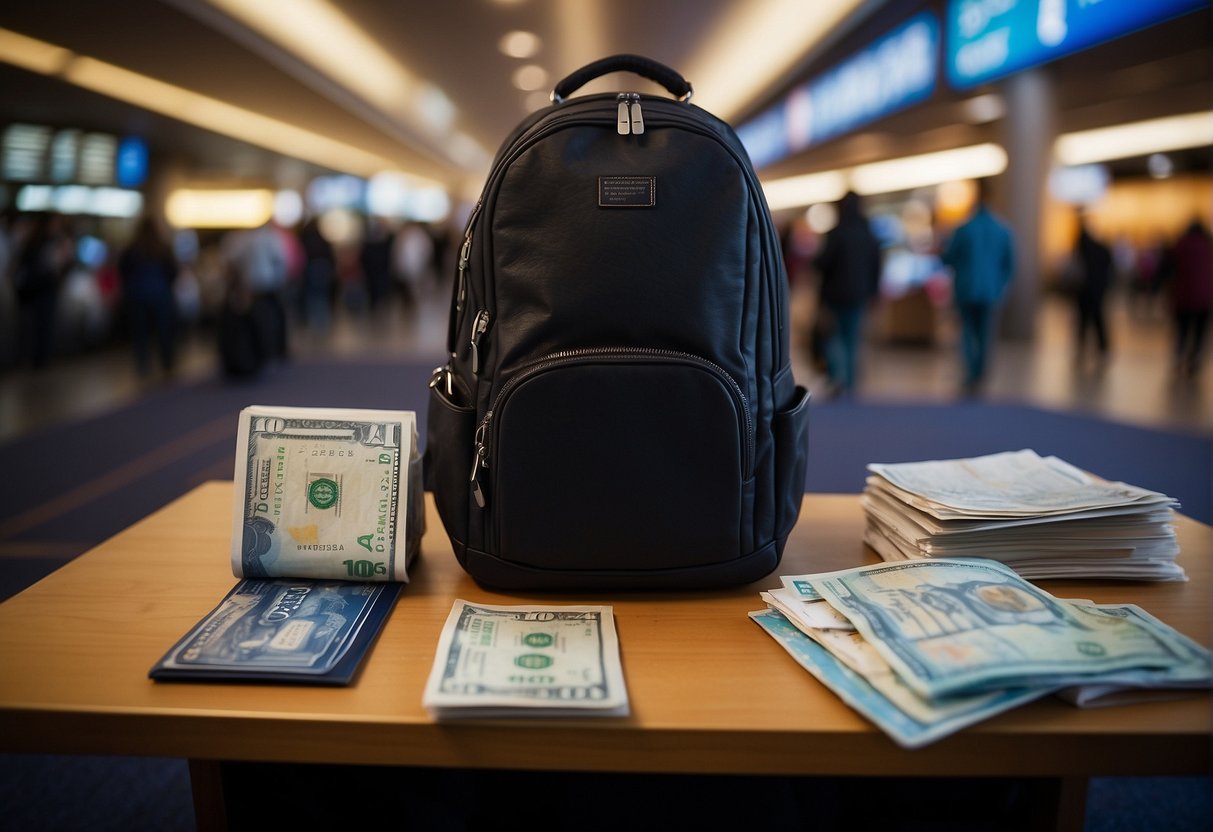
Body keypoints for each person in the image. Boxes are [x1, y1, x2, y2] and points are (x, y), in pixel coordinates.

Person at [941, 180, 1016, 395]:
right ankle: (980, 374)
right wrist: (1001, 286)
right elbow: (1009, 265)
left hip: (966, 289)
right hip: (991, 291)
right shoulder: (1002, 230)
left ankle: (970, 374)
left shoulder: (964, 229)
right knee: (985, 335)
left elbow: (949, 258)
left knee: (966, 333)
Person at [811, 191, 882, 396]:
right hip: (859, 295)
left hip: (835, 294)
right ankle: (849, 382)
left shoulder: (837, 233)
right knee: (852, 339)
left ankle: (837, 378)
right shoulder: (868, 234)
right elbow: (876, 266)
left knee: (833, 338)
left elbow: (822, 263)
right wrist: (873, 292)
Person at [118, 215, 179, 376]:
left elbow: (123, 271)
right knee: (164, 333)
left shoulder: (132, 249)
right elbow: (173, 271)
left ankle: (143, 367)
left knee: (141, 335)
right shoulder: (163, 248)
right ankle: (167, 365)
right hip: (160, 295)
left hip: (137, 296)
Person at [1157, 218, 1213, 378]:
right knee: (1199, 333)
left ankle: (1179, 357)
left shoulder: (1179, 245)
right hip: (1204, 297)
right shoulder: (1208, 245)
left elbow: (1166, 268)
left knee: (1181, 331)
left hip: (1182, 296)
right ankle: (1194, 360)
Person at [1070, 213, 1114, 371]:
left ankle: (1085, 349)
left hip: (1086, 289)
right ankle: (1101, 349)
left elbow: (1077, 269)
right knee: (1096, 320)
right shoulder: (1099, 247)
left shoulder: (1083, 245)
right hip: (1096, 289)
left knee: (1086, 321)